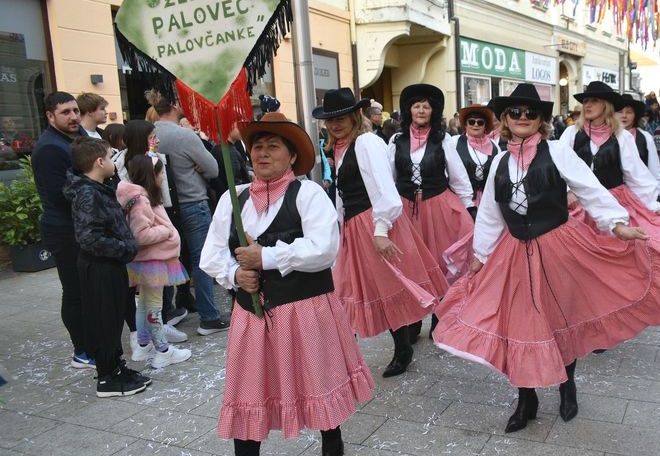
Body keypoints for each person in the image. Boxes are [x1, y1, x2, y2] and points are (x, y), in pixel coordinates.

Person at [432, 83, 660, 434]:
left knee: (562, 317)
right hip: (513, 251)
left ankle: (566, 384)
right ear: (506, 121)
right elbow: (491, 214)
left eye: (530, 113)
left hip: (558, 246)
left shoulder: (557, 151)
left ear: (541, 120)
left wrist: (618, 225)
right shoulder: (499, 160)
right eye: (515, 113)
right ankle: (526, 398)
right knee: (519, 324)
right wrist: (480, 255)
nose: (523, 118)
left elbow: (591, 189)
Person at [200, 112, 374, 456]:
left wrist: (264, 258)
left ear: (291, 155)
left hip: (305, 310)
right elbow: (210, 254)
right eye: (257, 147)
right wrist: (235, 274)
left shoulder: (308, 193)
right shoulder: (233, 199)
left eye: (273, 147)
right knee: (249, 391)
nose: (263, 153)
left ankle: (332, 445)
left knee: (318, 385)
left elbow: (324, 249)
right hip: (251, 315)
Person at [314, 88, 447, 377]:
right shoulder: (341, 147)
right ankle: (346, 354)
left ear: (354, 116)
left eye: (341, 117)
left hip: (373, 225)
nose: (335, 124)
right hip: (353, 226)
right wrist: (340, 227)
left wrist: (381, 229)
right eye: (329, 119)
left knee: (386, 287)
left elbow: (386, 191)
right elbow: (342, 195)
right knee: (347, 289)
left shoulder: (366, 142)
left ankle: (403, 349)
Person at [561, 82, 660, 251]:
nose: (588, 105)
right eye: (585, 101)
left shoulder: (622, 136)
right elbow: (558, 168)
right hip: (580, 203)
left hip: (614, 202)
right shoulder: (571, 133)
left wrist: (653, 206)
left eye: (594, 100)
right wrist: (567, 191)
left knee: (618, 253)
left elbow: (637, 175)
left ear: (607, 106)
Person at [62, 137, 149, 397]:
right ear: (99, 162)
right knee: (104, 320)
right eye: (111, 157)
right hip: (100, 266)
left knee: (111, 319)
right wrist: (125, 249)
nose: (114, 162)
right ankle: (107, 377)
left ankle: (115, 366)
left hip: (110, 265)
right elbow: (89, 237)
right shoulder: (88, 192)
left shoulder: (97, 186)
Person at [388, 83, 475, 339]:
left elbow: (458, 177)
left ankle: (439, 315)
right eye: (417, 106)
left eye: (426, 106)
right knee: (410, 266)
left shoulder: (443, 139)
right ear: (409, 110)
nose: (422, 110)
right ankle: (414, 319)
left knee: (438, 264)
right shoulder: (396, 140)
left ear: (433, 111)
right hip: (405, 211)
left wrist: (468, 207)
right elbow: (388, 179)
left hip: (438, 208)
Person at [145, 90, 227, 334]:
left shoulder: (149, 135)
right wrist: (199, 168)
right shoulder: (184, 135)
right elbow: (213, 169)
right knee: (202, 259)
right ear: (174, 105)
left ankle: (167, 312)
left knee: (168, 258)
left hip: (164, 206)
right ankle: (209, 317)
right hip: (193, 202)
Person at [32, 92, 94, 369]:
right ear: (49, 116)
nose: (73, 116)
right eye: (66, 112)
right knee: (75, 290)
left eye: (75, 110)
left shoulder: (76, 136)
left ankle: (93, 342)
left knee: (89, 288)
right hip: (64, 229)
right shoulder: (49, 148)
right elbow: (60, 195)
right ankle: (82, 349)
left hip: (82, 226)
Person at [112, 120, 189, 342]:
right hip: (152, 248)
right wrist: (166, 231)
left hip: (155, 238)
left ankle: (146, 341)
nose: (156, 140)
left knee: (149, 300)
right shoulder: (135, 186)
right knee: (151, 302)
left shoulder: (153, 161)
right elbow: (141, 229)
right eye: (151, 136)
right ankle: (158, 344)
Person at [117, 155, 192, 369]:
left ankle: (143, 345)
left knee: (144, 305)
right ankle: (163, 350)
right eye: (160, 173)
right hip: (152, 261)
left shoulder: (139, 197)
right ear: (152, 175)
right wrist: (166, 231)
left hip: (146, 261)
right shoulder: (141, 200)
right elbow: (140, 235)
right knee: (154, 308)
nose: (162, 177)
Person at [440, 104, 502, 280]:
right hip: (460, 200)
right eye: (471, 121)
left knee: (486, 238)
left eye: (480, 122)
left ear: (486, 126)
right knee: (462, 240)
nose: (475, 125)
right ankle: (462, 278)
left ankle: (483, 279)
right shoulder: (453, 143)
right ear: (465, 125)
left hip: (487, 201)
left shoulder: (495, 147)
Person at [616, 94, 660, 190]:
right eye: (620, 112)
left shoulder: (645, 137)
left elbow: (654, 168)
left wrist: (655, 191)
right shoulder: (606, 136)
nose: (624, 116)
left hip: (640, 193)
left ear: (635, 115)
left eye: (629, 112)